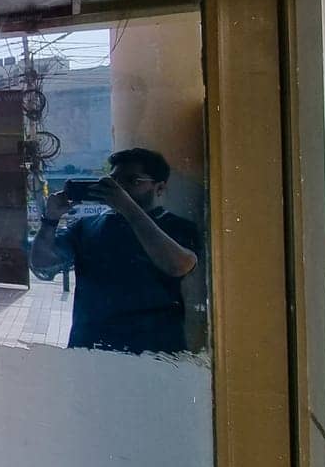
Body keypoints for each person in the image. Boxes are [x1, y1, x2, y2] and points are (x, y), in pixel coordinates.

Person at [30, 147, 201, 354]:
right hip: (92, 349)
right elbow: (43, 265)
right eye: (114, 181)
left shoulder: (177, 226)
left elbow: (179, 266)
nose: (119, 188)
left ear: (160, 188)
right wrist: (50, 219)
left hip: (156, 352)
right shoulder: (86, 227)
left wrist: (127, 207)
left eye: (132, 181)